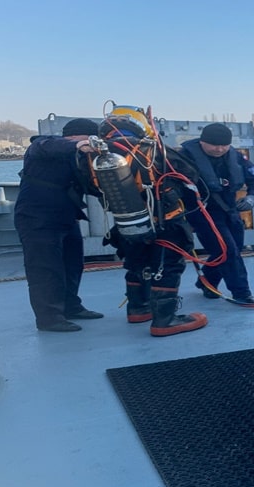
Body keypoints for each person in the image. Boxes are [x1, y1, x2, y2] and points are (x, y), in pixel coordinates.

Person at [80, 105, 207, 337]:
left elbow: (92, 188)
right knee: (167, 266)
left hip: (128, 221)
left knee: (137, 263)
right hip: (166, 220)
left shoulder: (93, 156)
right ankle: (165, 320)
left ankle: (138, 308)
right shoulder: (154, 150)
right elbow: (190, 176)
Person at [14, 118, 104, 332]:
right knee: (45, 269)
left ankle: (71, 306)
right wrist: (79, 145)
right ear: (75, 136)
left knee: (73, 265)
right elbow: (46, 146)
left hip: (65, 218)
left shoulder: (79, 158)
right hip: (37, 219)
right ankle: (49, 318)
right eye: (90, 138)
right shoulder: (45, 144)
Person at [179, 123, 254, 304]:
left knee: (231, 249)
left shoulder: (234, 157)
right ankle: (242, 293)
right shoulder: (184, 158)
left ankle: (207, 282)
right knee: (227, 250)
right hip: (202, 213)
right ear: (202, 142)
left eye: (224, 145)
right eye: (214, 145)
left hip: (230, 210)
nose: (219, 149)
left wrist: (251, 197)